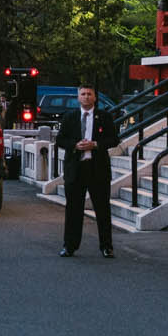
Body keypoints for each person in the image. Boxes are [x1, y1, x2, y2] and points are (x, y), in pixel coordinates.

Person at [56, 84, 118, 257]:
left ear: (95, 97)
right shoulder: (70, 117)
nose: (86, 97)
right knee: (73, 210)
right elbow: (60, 140)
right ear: (78, 97)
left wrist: (95, 144)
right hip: (76, 169)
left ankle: (107, 246)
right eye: (83, 94)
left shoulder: (104, 117)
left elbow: (114, 139)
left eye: (89, 94)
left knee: (102, 209)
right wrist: (75, 145)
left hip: (97, 169)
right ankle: (69, 246)